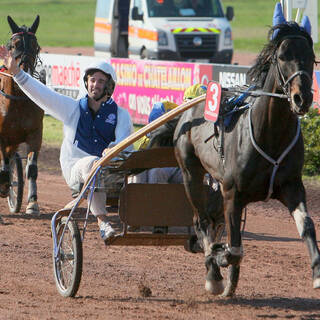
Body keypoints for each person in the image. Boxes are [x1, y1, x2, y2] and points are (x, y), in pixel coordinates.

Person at [0, 46, 133, 242]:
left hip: (112, 171)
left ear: (109, 86)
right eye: (92, 80)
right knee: (92, 163)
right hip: (77, 169)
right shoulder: (72, 109)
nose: (95, 84)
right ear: (86, 83)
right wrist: (18, 74)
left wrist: (114, 148)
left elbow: (125, 143)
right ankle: (103, 222)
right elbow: (44, 95)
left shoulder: (121, 115)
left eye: (101, 81)